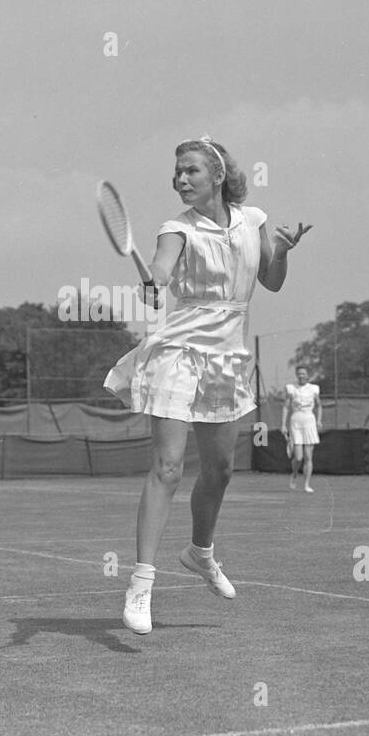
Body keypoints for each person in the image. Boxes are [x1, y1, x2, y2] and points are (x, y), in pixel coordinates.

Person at [105, 136, 311, 635]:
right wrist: (153, 279)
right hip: (177, 352)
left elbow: (273, 281)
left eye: (191, 171)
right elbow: (160, 266)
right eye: (177, 172)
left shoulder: (254, 220)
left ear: (218, 176)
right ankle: (140, 584)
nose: (181, 179)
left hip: (228, 359)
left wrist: (280, 252)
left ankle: (200, 553)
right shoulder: (175, 229)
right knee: (168, 466)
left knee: (219, 470)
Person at [282, 366, 322, 492]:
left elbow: (319, 406)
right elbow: (286, 407)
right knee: (298, 457)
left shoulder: (314, 389)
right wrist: (283, 424)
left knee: (308, 456)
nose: (301, 376)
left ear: (307, 375)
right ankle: (294, 475)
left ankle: (306, 484)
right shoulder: (291, 388)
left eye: (303, 374)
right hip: (295, 422)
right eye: (299, 374)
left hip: (309, 421)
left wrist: (319, 420)